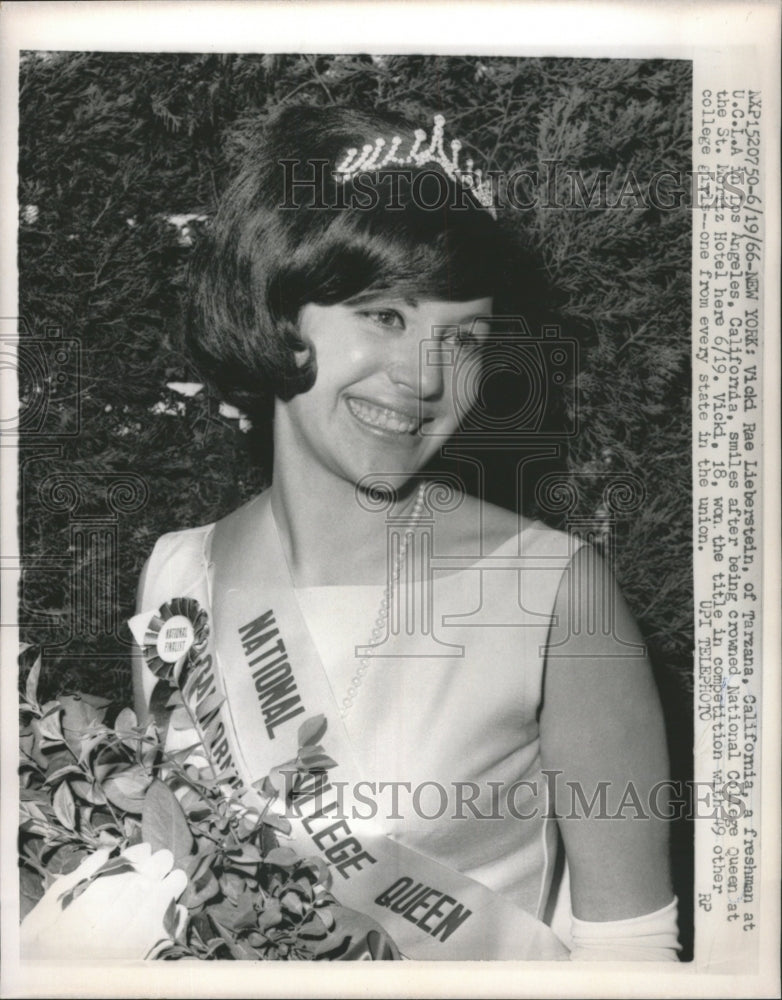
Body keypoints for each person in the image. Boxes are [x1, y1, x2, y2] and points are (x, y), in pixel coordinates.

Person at [129, 105, 679, 961]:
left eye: (464, 337)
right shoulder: (176, 579)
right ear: (279, 312)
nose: (427, 378)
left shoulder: (554, 595)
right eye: (385, 316)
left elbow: (633, 959)